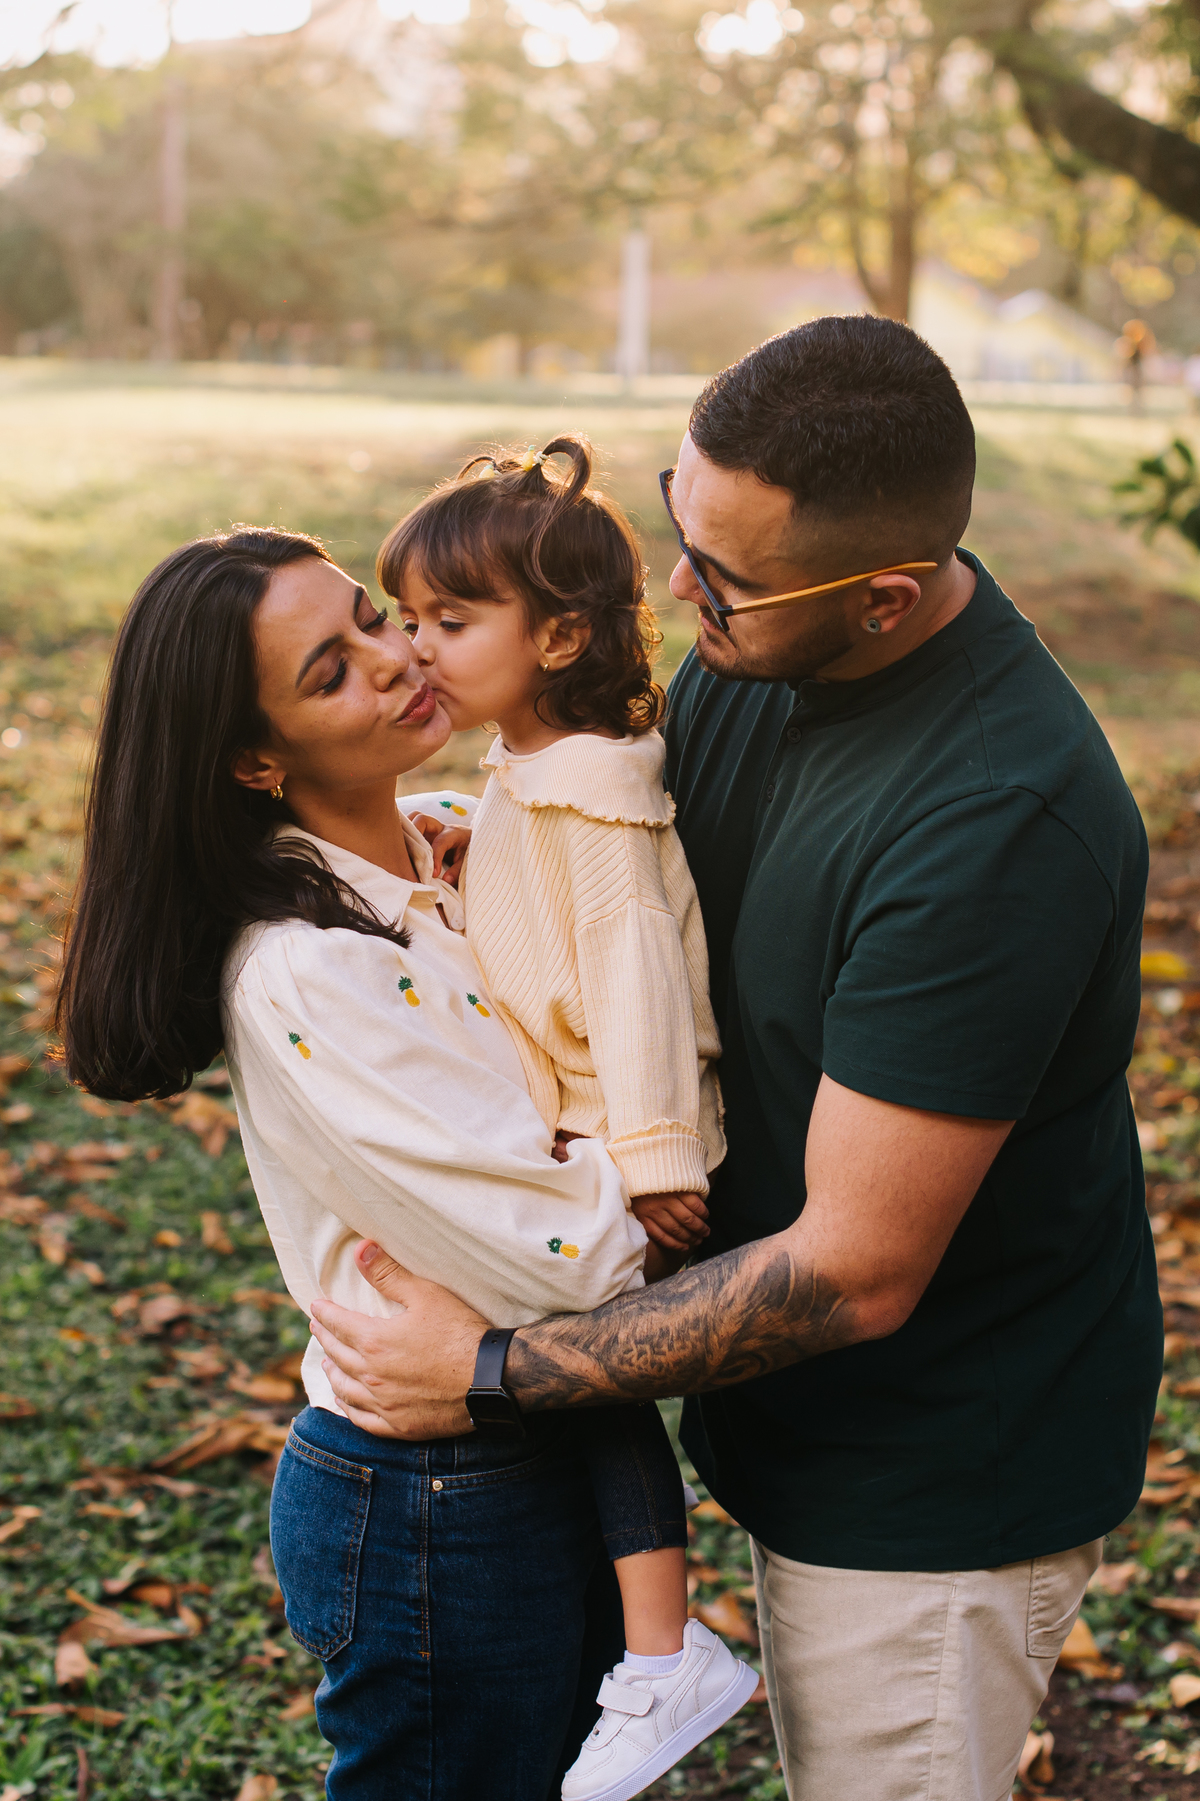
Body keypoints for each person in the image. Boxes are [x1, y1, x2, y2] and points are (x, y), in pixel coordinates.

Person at [309, 317, 1163, 1801]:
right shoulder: (757, 649)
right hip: (777, 1407)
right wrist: (485, 841)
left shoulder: (995, 818)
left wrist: (493, 1371)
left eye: (725, 574)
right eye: (679, 523)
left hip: (930, 1474)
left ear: (885, 597)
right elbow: (630, 853)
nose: (675, 589)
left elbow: (853, 1271)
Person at [53, 525, 732, 1801]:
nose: (394, 655)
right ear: (256, 761)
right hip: (435, 1500)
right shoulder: (309, 972)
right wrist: (662, 1154)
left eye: (370, 615)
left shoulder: (455, 847)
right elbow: (588, 1257)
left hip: (537, 1439)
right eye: (331, 671)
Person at [378, 434, 756, 1801]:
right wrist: (469, 846)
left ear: (559, 638)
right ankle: (628, 1634)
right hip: (585, 1126)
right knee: (568, 1372)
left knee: (591, 1377)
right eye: (407, 617)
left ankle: (665, 1654)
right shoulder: (533, 766)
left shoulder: (594, 786)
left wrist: (653, 1158)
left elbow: (634, 970)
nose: (415, 647)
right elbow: (527, 908)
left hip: (624, 1133)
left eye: (450, 620)